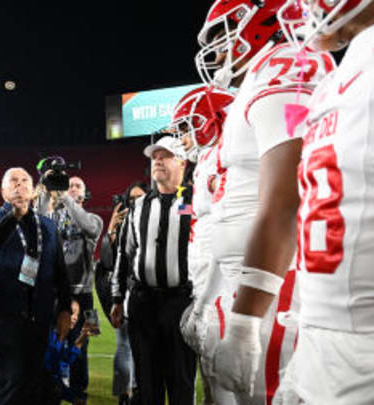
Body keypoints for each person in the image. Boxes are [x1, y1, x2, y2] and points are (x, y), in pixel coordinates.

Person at [218, 1, 374, 404]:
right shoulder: (349, 67)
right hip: (324, 333)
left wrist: (245, 320)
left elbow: (285, 199)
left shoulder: (296, 65)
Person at [191, 1, 336, 403]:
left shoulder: (287, 63)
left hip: (275, 285)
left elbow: (288, 196)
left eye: (223, 36)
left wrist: (245, 319)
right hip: (246, 280)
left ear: (253, 22)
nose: (219, 53)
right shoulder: (261, 75)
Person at [110, 136, 196, 405]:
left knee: (181, 381)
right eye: (154, 156)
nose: (157, 160)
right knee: (146, 385)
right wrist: (116, 298)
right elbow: (124, 255)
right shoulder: (139, 206)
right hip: (143, 302)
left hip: (181, 301)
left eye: (165, 155)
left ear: (181, 161)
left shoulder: (198, 202)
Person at [0, 167, 72, 405]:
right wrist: (15, 215)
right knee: (12, 380)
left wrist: (64, 308)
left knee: (35, 381)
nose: (19, 186)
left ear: (33, 192)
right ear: (3, 191)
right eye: (13, 181)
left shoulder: (48, 226)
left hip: (40, 314)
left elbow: (60, 270)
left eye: (24, 182)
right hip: (7, 315)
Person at [170, 85, 235, 405]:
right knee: (213, 383)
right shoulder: (209, 160)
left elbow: (228, 235)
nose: (182, 138)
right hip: (209, 288)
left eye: (186, 128)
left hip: (224, 292)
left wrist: (206, 299)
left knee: (227, 384)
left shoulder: (226, 159)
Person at [35, 175, 103, 405]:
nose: (71, 188)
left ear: (85, 194)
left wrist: (65, 196)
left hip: (83, 293)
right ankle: (48, 386)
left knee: (81, 344)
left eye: (77, 186)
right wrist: (46, 190)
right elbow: (39, 220)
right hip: (54, 291)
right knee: (48, 342)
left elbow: (88, 228)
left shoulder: (94, 219)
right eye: (68, 184)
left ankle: (78, 393)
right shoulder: (54, 217)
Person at [99, 183, 146, 405]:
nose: (135, 203)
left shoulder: (151, 221)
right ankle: (124, 394)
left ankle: (136, 391)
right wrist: (111, 231)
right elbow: (108, 261)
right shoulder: (123, 225)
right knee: (125, 344)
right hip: (125, 294)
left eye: (140, 198)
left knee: (140, 347)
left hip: (145, 294)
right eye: (132, 199)